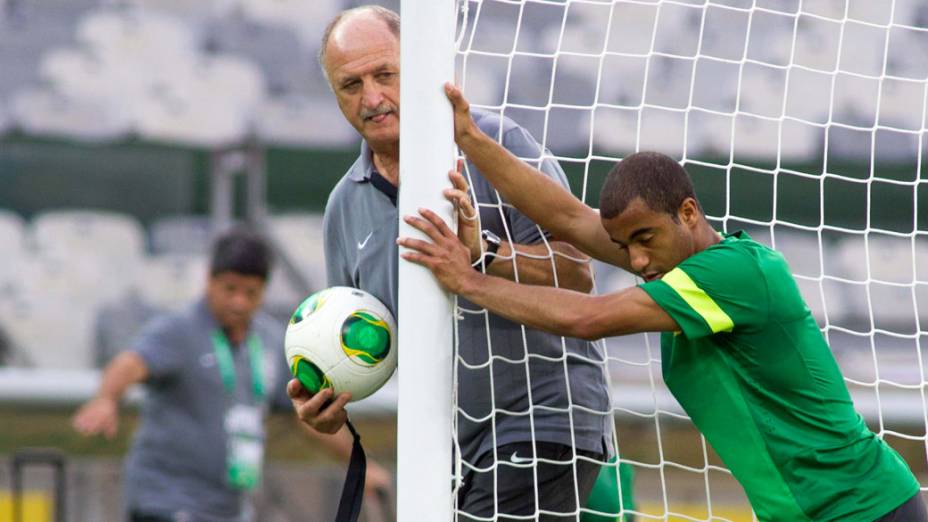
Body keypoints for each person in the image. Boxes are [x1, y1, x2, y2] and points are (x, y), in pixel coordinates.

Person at [396, 84, 927, 522]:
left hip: (866, 508)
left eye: (646, 238)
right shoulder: (677, 268)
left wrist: (468, 280)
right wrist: (471, 139)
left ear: (689, 213)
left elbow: (589, 318)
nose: (638, 259)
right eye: (626, 246)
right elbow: (571, 220)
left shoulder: (734, 273)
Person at [289, 5, 617, 520]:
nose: (371, 98)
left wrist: (482, 255)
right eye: (350, 85)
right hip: (449, 448)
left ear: (417, 64)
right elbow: (362, 340)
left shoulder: (494, 143)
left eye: (385, 75)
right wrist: (328, 401)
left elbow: (577, 270)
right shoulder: (344, 208)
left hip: (546, 421)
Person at [72, 228, 391, 522]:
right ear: (208, 281)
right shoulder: (178, 330)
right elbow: (130, 363)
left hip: (228, 509)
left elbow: (305, 413)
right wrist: (106, 399)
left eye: (251, 293)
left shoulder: (269, 339)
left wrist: (361, 466)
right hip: (167, 501)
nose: (239, 302)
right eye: (230, 289)